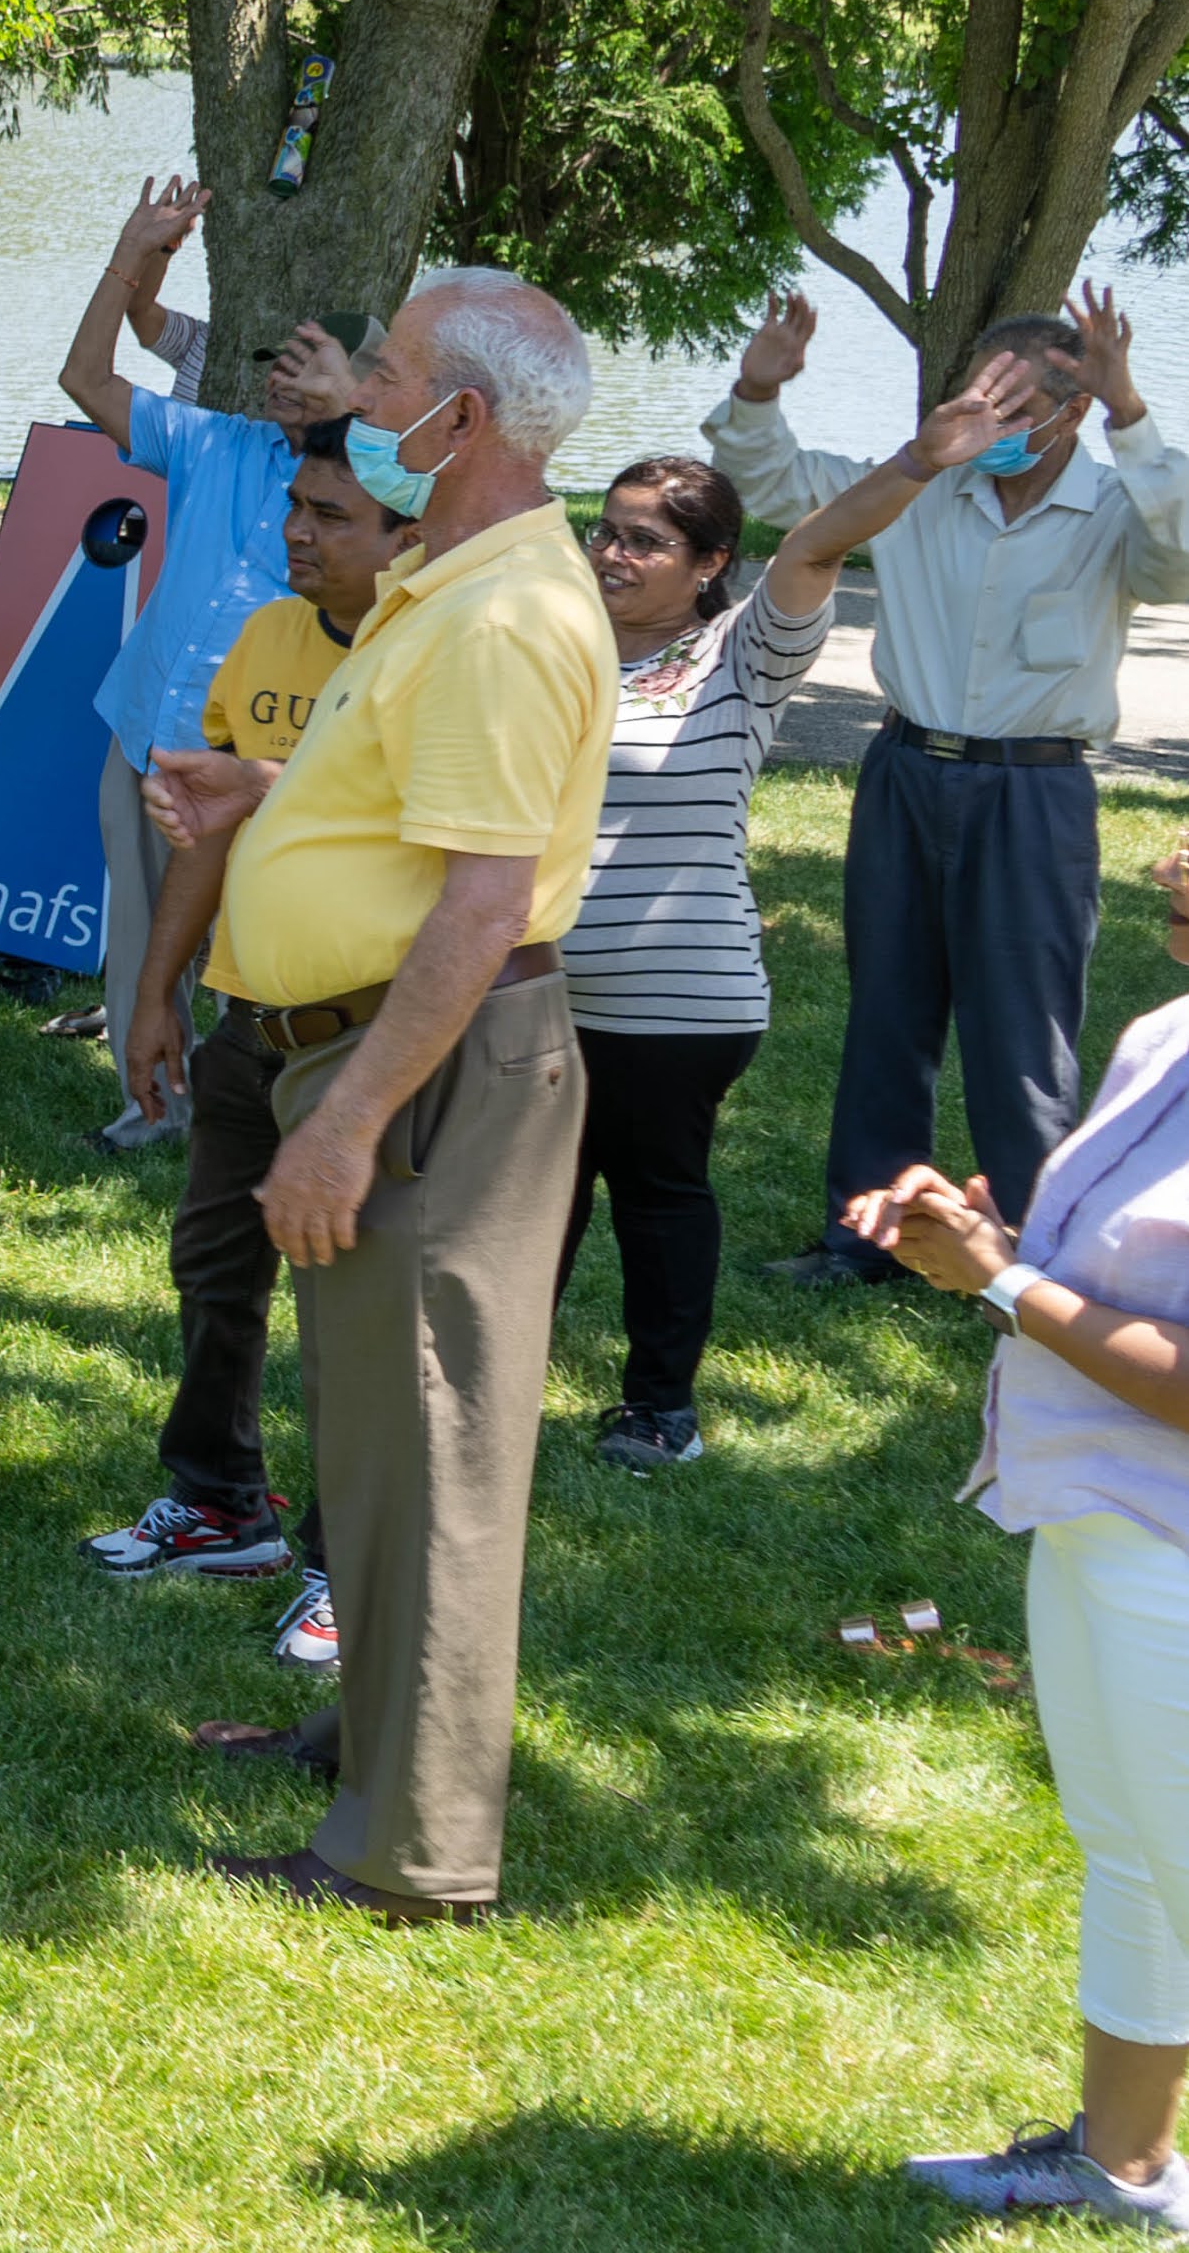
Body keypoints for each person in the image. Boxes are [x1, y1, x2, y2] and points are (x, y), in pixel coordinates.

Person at [154, 268, 612, 1928]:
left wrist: (345, 1123)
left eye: (389, 375)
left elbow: (482, 906)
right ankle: (366, 1746)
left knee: (430, 1455)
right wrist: (272, 793)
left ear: (461, 419)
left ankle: (410, 1853)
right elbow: (421, 813)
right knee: (374, 1436)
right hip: (388, 1053)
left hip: (425, 1069)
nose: (361, 397)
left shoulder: (498, 616)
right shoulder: (451, 582)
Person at [711, 286, 1189, 1287]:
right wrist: (758, 389)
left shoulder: (1115, 505)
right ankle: (864, 1239)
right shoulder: (919, 484)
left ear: (1073, 411)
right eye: (979, 399)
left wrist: (1131, 410)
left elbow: (1180, 562)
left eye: (1019, 409)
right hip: (904, 772)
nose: (992, 425)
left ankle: (1034, 1255)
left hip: (1034, 793)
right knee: (887, 1015)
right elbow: (772, 484)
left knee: (1024, 1034)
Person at [848, 870, 1189, 2233]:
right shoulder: (1165, 1033)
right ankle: (1119, 2166)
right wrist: (982, 1239)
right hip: (1093, 1510)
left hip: (1173, 1542)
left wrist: (1003, 1278)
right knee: (1130, 1852)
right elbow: (1095, 1274)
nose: (1173, 867)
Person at [88, 421, 415, 1659]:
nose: (296, 532)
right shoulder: (267, 635)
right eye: (295, 507)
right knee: (215, 1265)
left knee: (355, 1308)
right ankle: (219, 1503)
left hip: (368, 1036)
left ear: (406, 536)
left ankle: (348, 1562)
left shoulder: (423, 652)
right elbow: (210, 826)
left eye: (331, 516)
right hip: (246, 1021)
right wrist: (156, 993)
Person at [562, 429, 947, 1467]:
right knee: (529, 1202)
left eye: (645, 541)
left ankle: (660, 1411)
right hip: (529, 987)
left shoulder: (739, 652)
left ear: (710, 563)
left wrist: (920, 460)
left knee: (655, 1195)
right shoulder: (558, 641)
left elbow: (815, 547)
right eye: (606, 532)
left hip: (677, 1000)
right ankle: (484, 1388)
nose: (612, 554)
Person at [59, 174, 368, 1149]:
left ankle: (267, 1107)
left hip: (267, 762)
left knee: (257, 947)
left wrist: (353, 420)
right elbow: (85, 379)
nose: (278, 379)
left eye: (307, 369)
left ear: (362, 388)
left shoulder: (382, 496)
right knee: (139, 932)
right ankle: (150, 1107)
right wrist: (130, 255)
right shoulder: (215, 443)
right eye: (276, 364)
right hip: (146, 732)